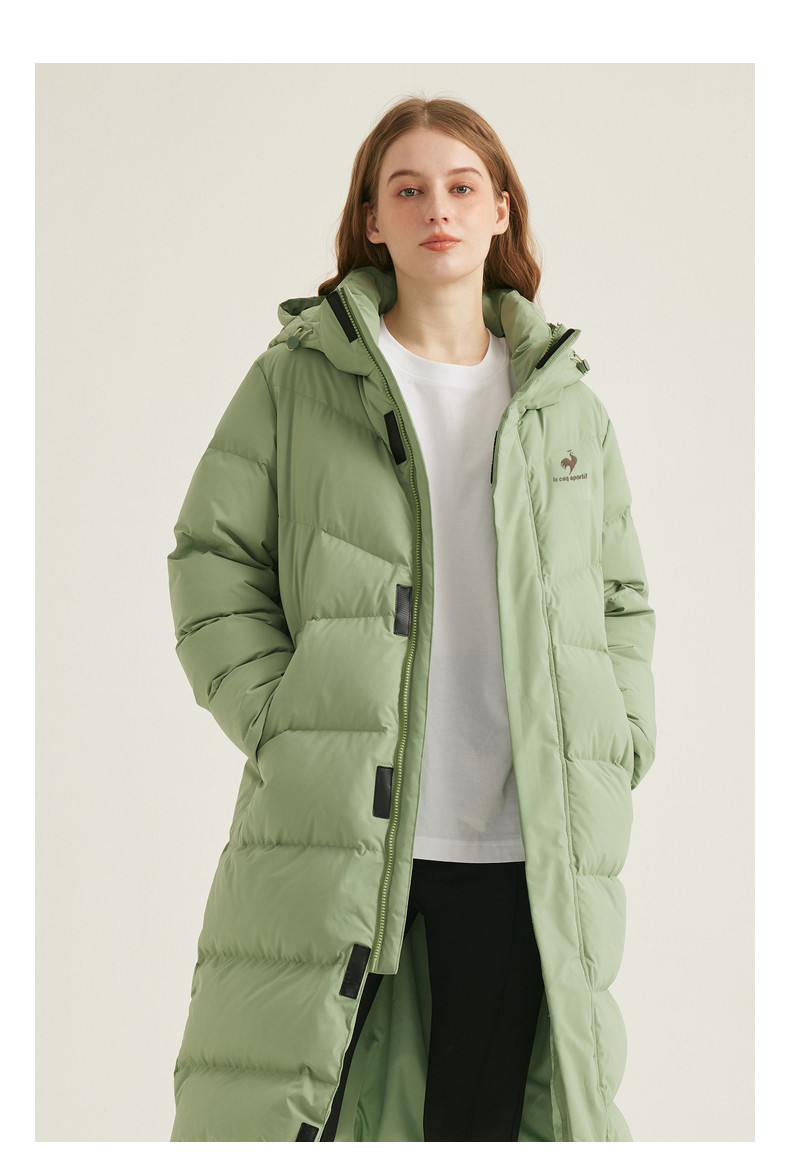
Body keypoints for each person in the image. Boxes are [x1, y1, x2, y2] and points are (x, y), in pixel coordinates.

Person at [166, 94, 657, 1143]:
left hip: (526, 840)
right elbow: (213, 561)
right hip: (345, 822)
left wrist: (617, 738)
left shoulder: (564, 401)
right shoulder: (300, 379)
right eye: (409, 188)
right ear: (372, 219)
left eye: (462, 186)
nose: (438, 208)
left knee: (485, 1123)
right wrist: (282, 718)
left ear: (500, 211)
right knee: (302, 1109)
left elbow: (619, 598)